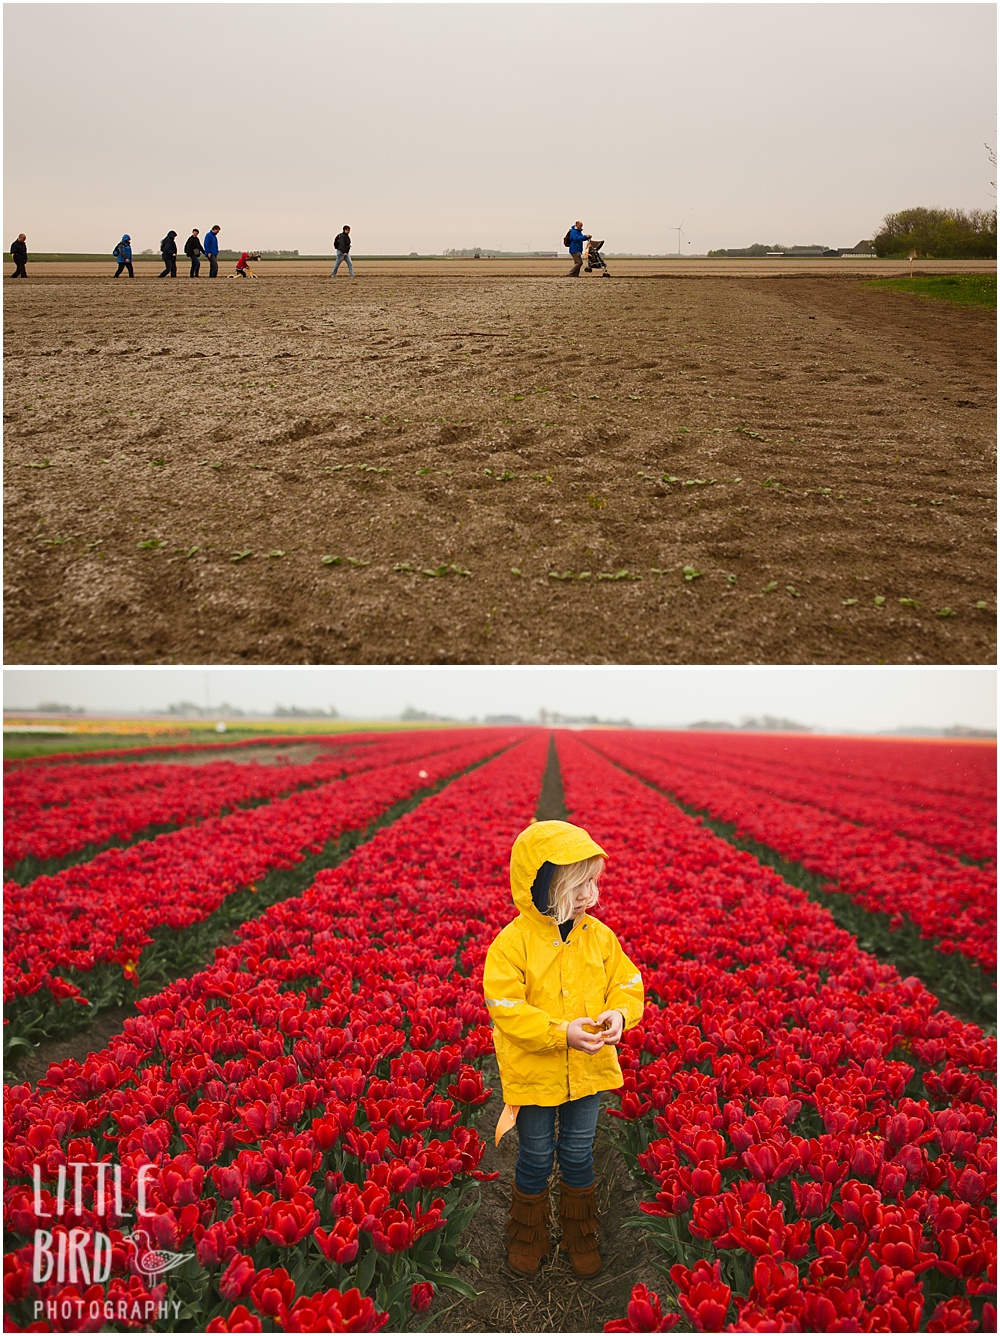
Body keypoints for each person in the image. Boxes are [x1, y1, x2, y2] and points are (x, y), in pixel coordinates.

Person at [483, 820, 644, 1279]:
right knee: (535, 1155)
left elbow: (627, 985)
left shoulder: (600, 938)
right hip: (535, 1074)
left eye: (594, 882)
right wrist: (560, 1032)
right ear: (543, 884)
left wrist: (619, 1015)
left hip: (588, 1069)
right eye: (579, 884)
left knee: (578, 1153)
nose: (589, 895)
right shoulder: (512, 945)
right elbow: (506, 1009)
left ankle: (580, 1234)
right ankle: (527, 1233)